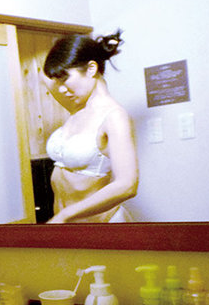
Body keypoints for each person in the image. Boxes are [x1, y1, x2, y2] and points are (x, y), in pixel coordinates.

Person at [42, 30, 138, 223]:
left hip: (102, 227)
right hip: (68, 226)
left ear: (92, 69)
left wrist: (64, 215)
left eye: (64, 78)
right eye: (58, 81)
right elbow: (42, 76)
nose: (61, 88)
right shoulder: (76, 107)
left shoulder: (114, 116)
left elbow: (127, 184)